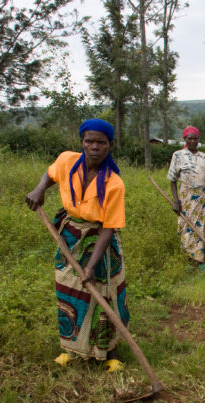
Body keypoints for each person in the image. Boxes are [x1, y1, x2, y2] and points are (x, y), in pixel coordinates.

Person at [25, 118, 129, 372]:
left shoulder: (113, 183)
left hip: (101, 244)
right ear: (82, 142)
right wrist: (40, 189)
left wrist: (91, 266)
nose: (94, 146)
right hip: (70, 236)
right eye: (89, 141)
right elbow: (50, 175)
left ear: (109, 146)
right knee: (70, 292)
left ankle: (111, 353)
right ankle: (71, 349)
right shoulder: (67, 161)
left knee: (104, 294)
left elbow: (108, 228)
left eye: (100, 142)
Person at [167, 126, 205, 271]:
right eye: (190, 138)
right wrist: (176, 201)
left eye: (196, 139)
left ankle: (202, 258)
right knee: (189, 226)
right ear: (185, 139)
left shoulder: (204, 157)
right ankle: (191, 258)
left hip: (204, 197)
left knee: (204, 225)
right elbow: (172, 180)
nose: (193, 141)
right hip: (187, 198)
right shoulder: (178, 155)